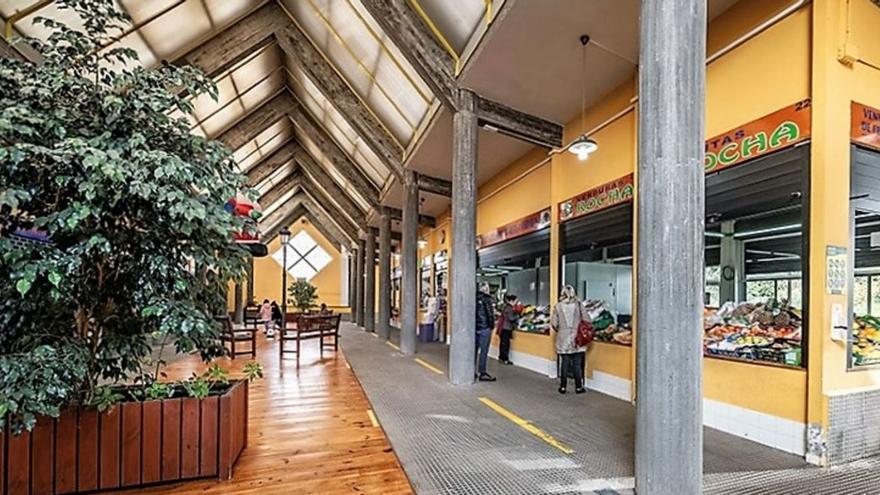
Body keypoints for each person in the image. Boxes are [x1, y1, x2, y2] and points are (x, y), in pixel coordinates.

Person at [550, 285, 590, 394]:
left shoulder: (557, 306)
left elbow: (554, 323)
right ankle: (578, 387)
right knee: (577, 363)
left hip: (563, 338)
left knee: (565, 363)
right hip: (577, 337)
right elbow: (587, 319)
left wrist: (561, 330)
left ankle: (563, 387)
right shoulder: (578, 304)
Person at [475, 282, 496, 382]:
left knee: (474, 351)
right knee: (484, 351)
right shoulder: (486, 299)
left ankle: (471, 371)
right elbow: (489, 314)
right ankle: (482, 373)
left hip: (475, 328)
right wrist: (492, 325)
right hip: (485, 328)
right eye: (487, 287)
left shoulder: (473, 297)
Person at [498, 293, 520, 365]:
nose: (516, 303)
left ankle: (501, 357)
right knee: (505, 345)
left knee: (502, 344)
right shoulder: (509, 308)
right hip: (506, 328)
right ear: (512, 301)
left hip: (503, 328)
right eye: (516, 301)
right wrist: (517, 315)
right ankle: (505, 359)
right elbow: (511, 318)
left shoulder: (505, 307)